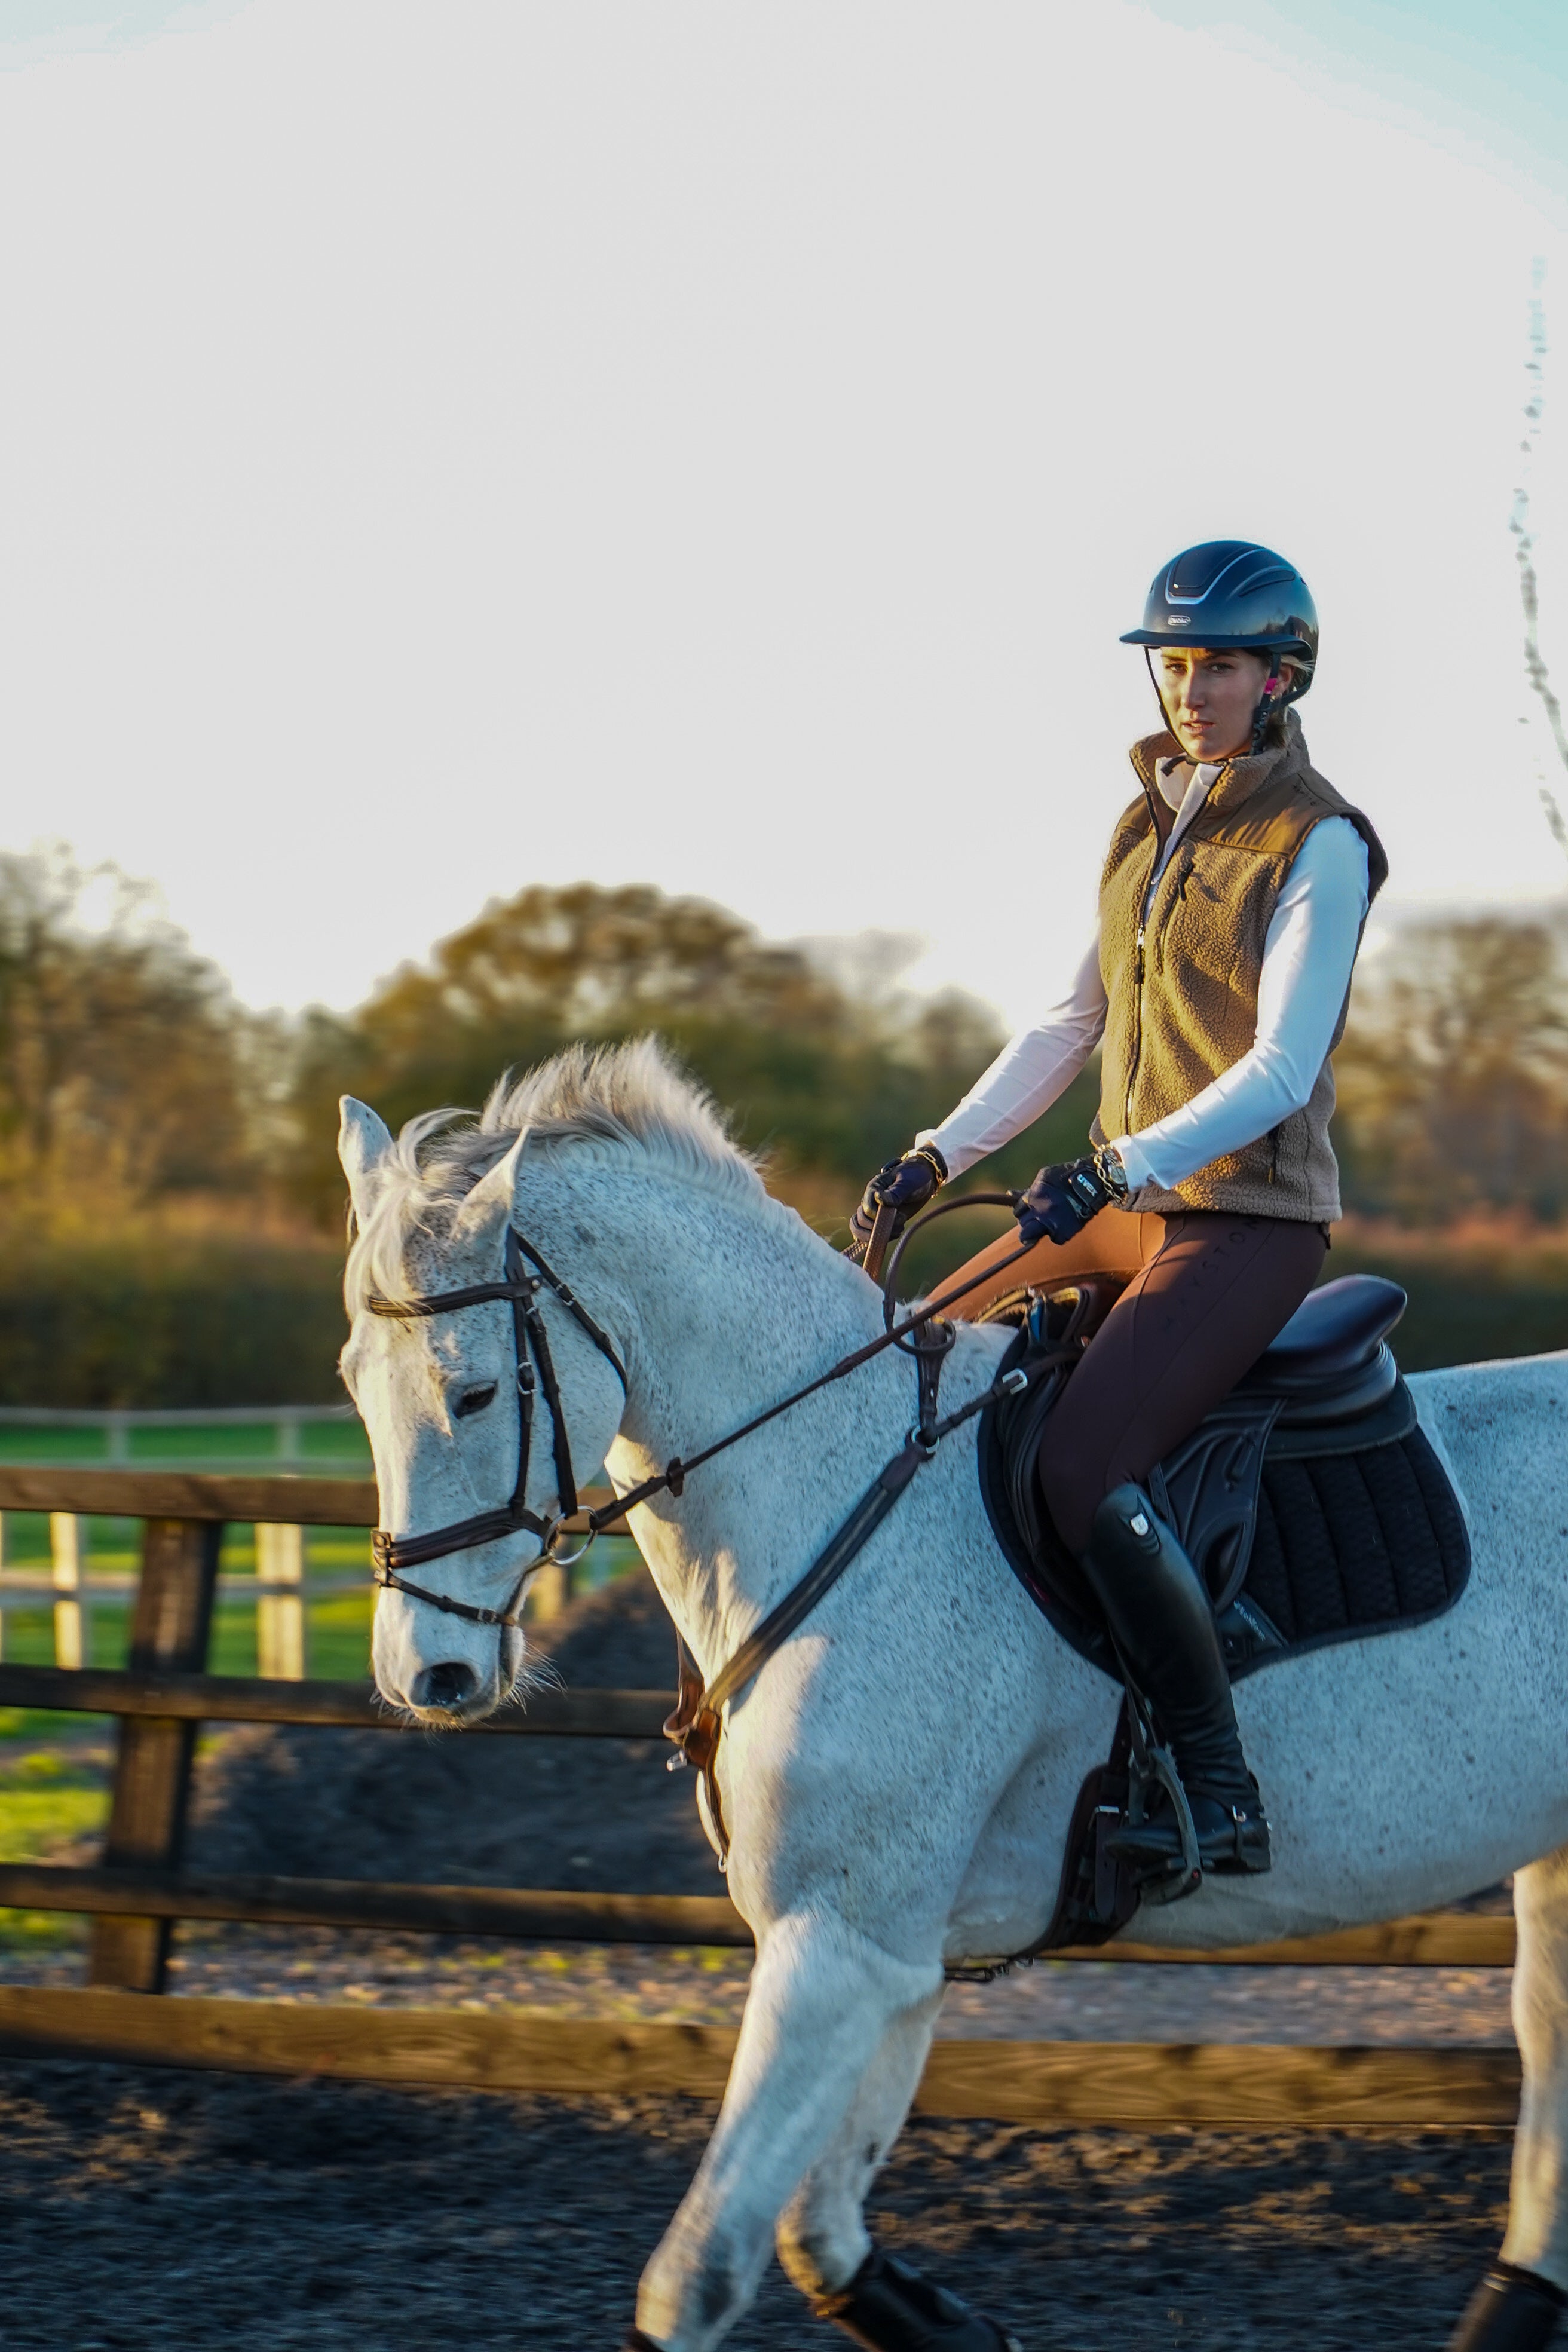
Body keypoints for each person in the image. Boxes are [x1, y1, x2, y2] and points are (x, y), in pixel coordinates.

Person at [852, 540, 1387, 1884]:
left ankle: (1215, 1779)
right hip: (1120, 1199)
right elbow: (1070, 1022)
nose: (1188, 687)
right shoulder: (1146, 821)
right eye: (1172, 661)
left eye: (1217, 664)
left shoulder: (1315, 839)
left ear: (1279, 677)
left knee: (1081, 1470)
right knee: (903, 1369)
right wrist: (936, 1150)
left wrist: (1112, 1168)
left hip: (1241, 1221)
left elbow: (1276, 1070)